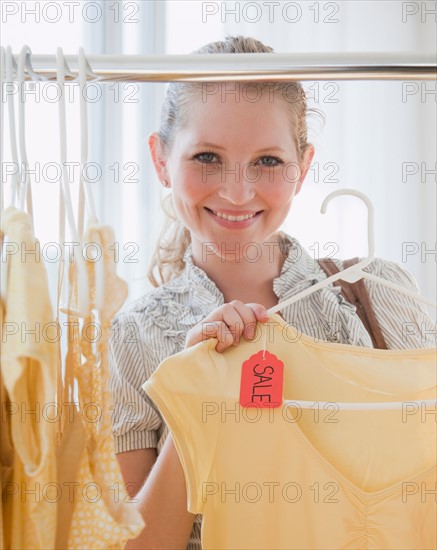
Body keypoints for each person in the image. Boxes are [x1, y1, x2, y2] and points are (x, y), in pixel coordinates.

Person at [109, 35, 435, 550]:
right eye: (208, 157)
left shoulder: (381, 294)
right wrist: (194, 395)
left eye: (267, 162)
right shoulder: (133, 338)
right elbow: (134, 546)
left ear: (303, 168)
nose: (238, 192)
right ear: (159, 158)